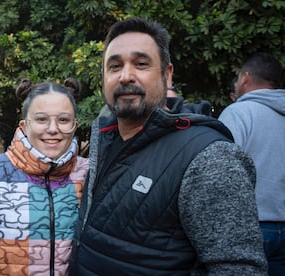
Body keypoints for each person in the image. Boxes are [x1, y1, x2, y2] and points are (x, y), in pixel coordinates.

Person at [70, 17, 267, 274]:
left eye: (141, 64)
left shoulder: (209, 158)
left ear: (167, 74)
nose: (126, 76)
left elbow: (239, 268)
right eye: (114, 66)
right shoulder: (104, 140)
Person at [0, 78, 89, 275]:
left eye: (63, 119)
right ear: (24, 125)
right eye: (41, 119)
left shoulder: (89, 173)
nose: (53, 129)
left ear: (74, 125)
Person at [219, 52, 285, 275]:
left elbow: (221, 170)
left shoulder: (238, 113)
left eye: (237, 79)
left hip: (250, 227)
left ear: (245, 78)